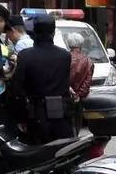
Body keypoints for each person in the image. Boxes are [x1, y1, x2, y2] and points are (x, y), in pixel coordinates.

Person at [11, 14, 73, 143]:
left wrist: (20, 117)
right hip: (61, 113)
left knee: (38, 155)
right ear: (54, 33)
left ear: (34, 32)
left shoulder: (25, 56)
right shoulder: (65, 55)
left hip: (37, 115)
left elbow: (17, 90)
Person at [67, 31, 94, 101]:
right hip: (80, 100)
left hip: (65, 97)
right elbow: (87, 83)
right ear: (81, 44)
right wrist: (78, 95)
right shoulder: (88, 61)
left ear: (69, 45)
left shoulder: (64, 58)